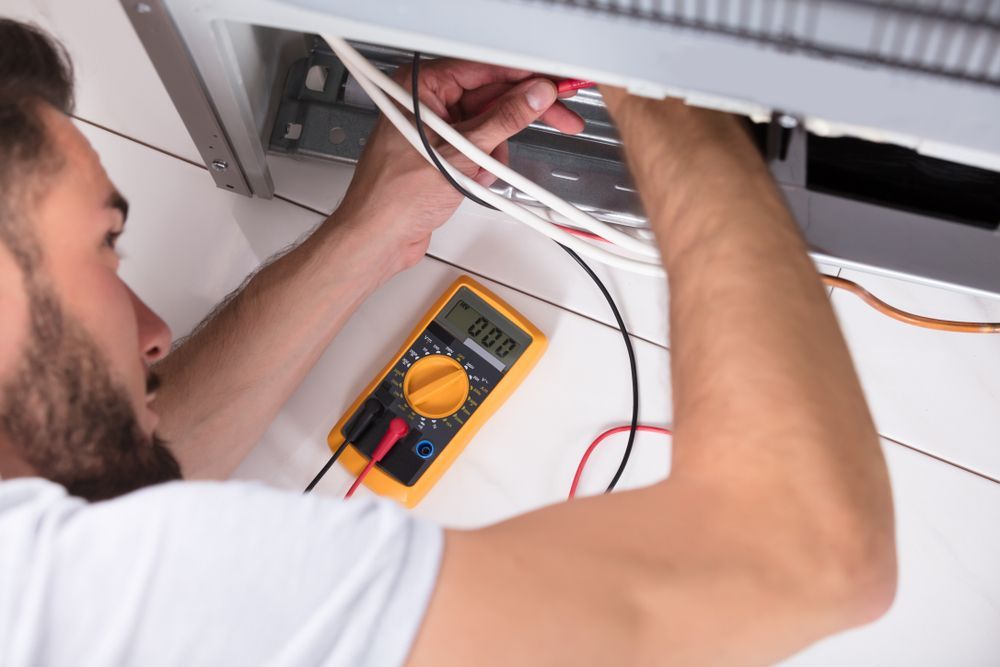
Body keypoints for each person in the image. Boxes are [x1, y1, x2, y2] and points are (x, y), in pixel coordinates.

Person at [0, 18, 895, 666]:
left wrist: (368, 235)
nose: (153, 334)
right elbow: (810, 553)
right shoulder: (74, 597)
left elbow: (101, 488)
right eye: (104, 246)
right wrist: (650, 63)